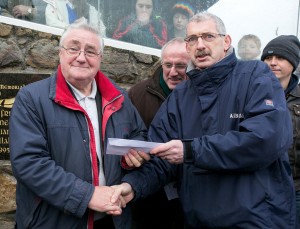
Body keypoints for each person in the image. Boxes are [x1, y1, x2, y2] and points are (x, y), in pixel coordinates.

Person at [111, 12, 297, 228]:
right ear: (187, 47)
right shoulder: (180, 96)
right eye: (192, 39)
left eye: (208, 36)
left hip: (256, 219)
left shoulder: (256, 76)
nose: (200, 45)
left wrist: (190, 151)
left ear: (226, 42)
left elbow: (266, 140)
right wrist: (132, 186)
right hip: (198, 220)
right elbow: (160, 156)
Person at [9, 19, 149, 229]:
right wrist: (87, 195)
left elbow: (138, 135)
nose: (81, 57)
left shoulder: (118, 97)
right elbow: (29, 163)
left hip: (113, 220)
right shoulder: (31, 98)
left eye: (91, 51)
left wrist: (131, 157)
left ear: (100, 58)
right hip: (55, 221)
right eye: (74, 48)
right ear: (61, 53)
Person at [128, 37, 190, 229]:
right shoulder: (136, 94)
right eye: (168, 64)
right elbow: (128, 133)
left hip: (191, 190)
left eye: (181, 66)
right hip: (150, 192)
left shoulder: (202, 95)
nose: (173, 72)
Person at [261, 35, 300, 224]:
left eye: (280, 58)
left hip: (296, 188)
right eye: (268, 58)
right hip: (260, 188)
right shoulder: (253, 92)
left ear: (293, 63)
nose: (273, 63)